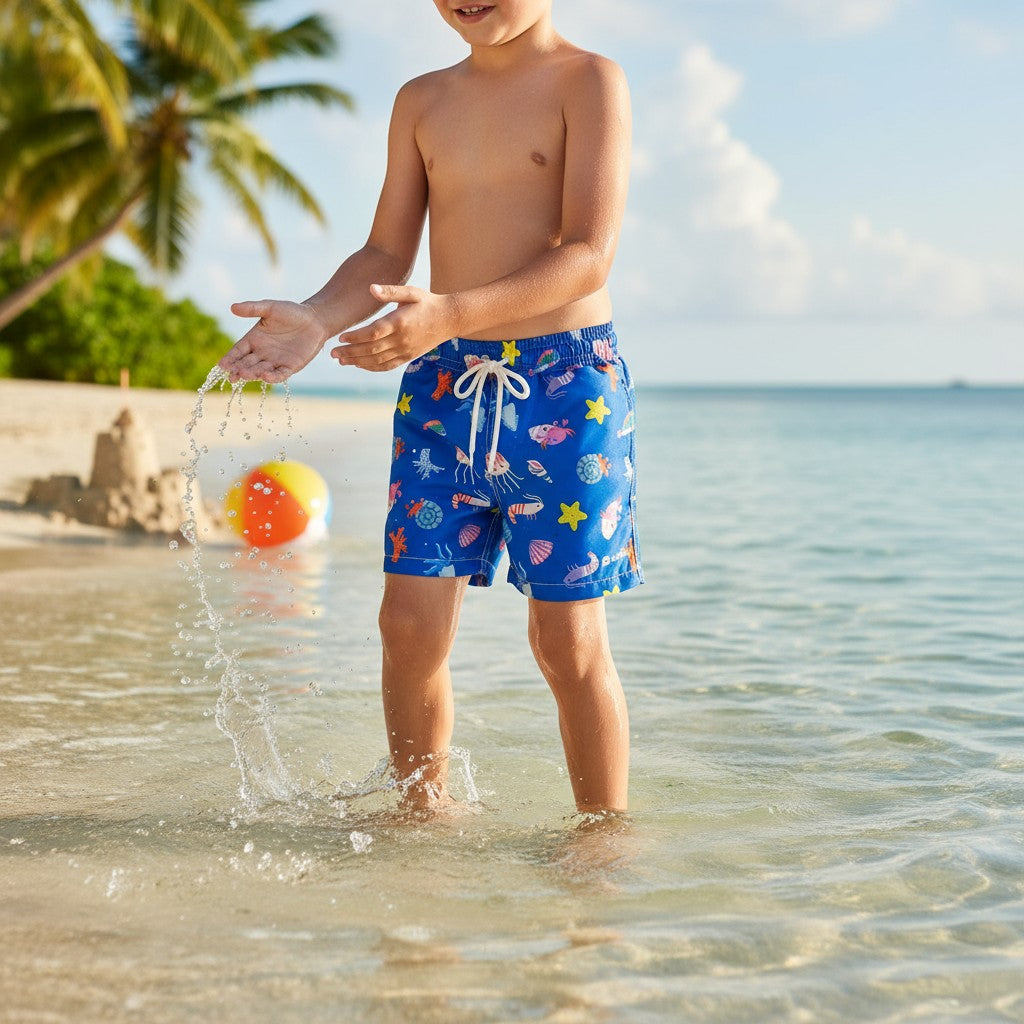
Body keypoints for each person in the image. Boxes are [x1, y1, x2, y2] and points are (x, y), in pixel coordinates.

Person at [218, 0, 643, 815]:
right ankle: (424, 818)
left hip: (567, 386)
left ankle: (601, 839)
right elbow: (386, 250)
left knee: (566, 640)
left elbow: (588, 255)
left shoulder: (589, 81)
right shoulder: (422, 100)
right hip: (444, 384)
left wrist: (447, 314)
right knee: (407, 626)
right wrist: (317, 317)